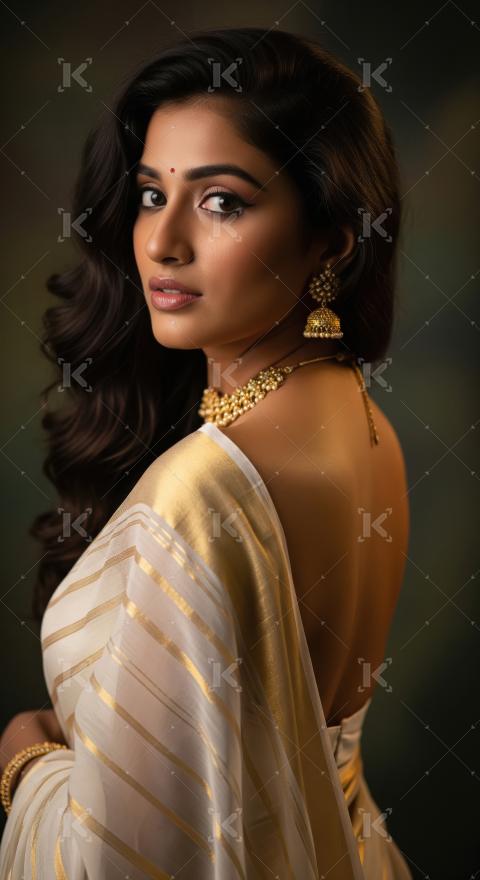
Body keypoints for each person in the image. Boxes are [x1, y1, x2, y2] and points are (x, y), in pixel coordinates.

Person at [0, 26, 412, 879]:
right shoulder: (366, 426)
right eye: (153, 195)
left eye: (222, 201)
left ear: (332, 238)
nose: (162, 242)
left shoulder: (199, 494)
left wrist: (27, 762)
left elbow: (124, 864)